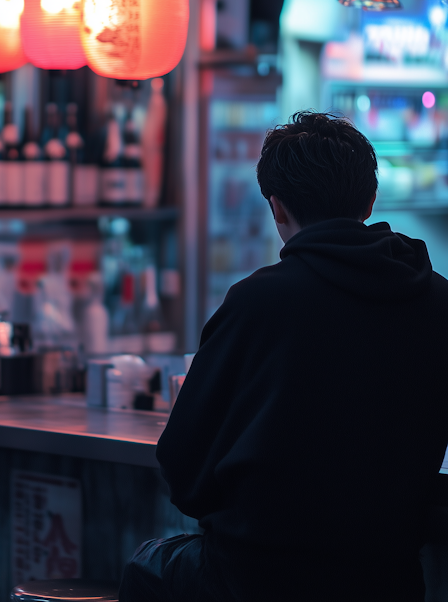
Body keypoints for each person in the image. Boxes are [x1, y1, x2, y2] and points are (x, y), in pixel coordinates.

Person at [119, 111, 448, 602]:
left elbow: (184, 470)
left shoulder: (258, 302)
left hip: (254, 579)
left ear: (277, 209)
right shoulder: (438, 299)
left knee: (144, 567)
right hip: (392, 580)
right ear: (370, 199)